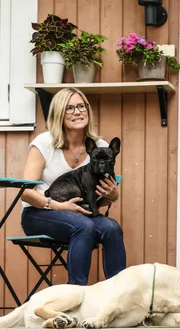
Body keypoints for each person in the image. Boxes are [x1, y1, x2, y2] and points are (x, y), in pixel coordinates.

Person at [20, 87, 126, 285]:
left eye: (81, 106)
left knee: (112, 227)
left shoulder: (100, 146)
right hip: (38, 212)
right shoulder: (44, 143)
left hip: (79, 213)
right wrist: (59, 206)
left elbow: (93, 200)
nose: (77, 112)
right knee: (83, 226)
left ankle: (119, 294)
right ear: (59, 114)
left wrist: (112, 195)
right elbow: (25, 193)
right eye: (69, 108)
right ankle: (75, 295)